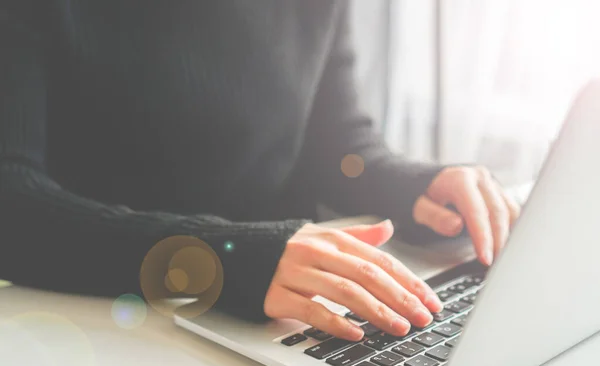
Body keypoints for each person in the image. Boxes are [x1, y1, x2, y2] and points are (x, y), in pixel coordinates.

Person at [0, 1, 519, 341]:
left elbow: (338, 148)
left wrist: (414, 187)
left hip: (278, 324)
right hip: (102, 326)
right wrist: (228, 260)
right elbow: (13, 205)